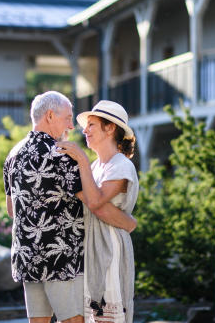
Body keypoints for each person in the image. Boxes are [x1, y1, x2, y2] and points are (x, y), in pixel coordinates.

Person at [3, 92, 137, 323]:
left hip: (27, 257)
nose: (71, 126)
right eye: (67, 118)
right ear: (50, 115)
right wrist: (129, 222)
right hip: (60, 257)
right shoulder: (62, 155)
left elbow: (11, 210)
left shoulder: (13, 155)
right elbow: (95, 204)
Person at [56, 100, 139, 323]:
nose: (84, 130)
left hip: (109, 246)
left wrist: (81, 159)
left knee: (107, 317)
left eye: (91, 124)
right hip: (91, 245)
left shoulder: (120, 165)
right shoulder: (94, 167)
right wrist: (127, 221)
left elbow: (94, 202)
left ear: (110, 127)